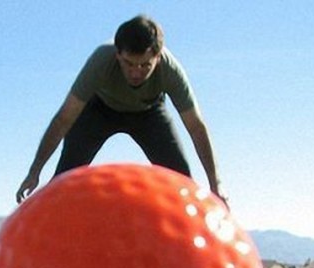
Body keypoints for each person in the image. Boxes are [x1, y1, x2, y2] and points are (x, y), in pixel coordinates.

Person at [16, 15, 226, 205]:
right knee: (63, 183)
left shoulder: (170, 70)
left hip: (148, 112)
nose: (136, 73)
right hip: (99, 110)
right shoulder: (100, 61)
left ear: (158, 57)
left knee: (182, 186)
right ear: (118, 55)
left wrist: (215, 185)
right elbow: (63, 119)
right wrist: (34, 172)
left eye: (145, 65)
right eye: (129, 64)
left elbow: (196, 127)